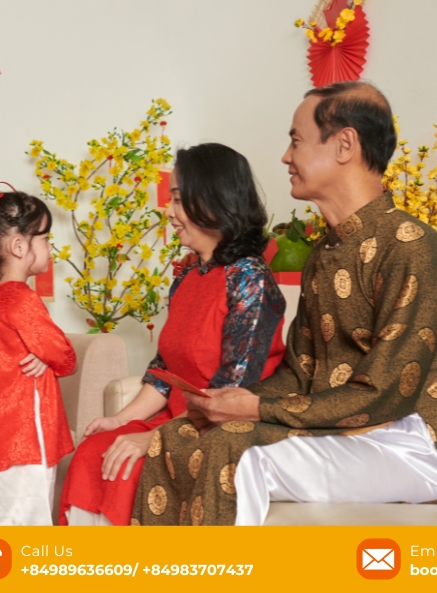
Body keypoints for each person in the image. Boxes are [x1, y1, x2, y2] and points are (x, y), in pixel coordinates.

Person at [132, 82, 437, 527]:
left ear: (345, 145)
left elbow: (383, 395)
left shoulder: (413, 247)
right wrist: (226, 399)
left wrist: (254, 409)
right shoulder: (324, 254)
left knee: (234, 448)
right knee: (177, 436)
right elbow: (300, 374)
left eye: (296, 140)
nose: (286, 156)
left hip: (408, 445)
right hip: (339, 434)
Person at [59, 143, 286, 526]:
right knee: (93, 453)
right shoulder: (188, 273)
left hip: (223, 428)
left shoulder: (249, 278)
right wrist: (120, 421)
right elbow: (164, 369)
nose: (168, 212)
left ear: (212, 201)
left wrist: (157, 439)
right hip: (176, 418)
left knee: (128, 468)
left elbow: (233, 391)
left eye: (178, 200)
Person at [0, 181, 76, 526]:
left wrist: (44, 355)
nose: (49, 248)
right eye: (44, 239)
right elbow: (66, 356)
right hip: (30, 431)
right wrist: (49, 356)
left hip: (9, 428)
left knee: (8, 516)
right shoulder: (22, 300)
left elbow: (47, 350)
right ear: (17, 246)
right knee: (29, 518)